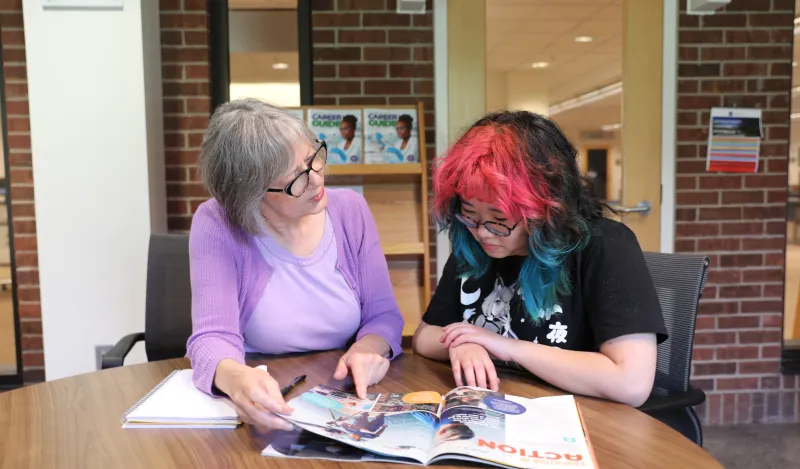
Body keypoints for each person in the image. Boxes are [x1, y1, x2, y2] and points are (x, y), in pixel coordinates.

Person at [412, 111, 667, 408]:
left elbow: (631, 383)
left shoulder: (605, 246)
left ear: (546, 208)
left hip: (584, 420)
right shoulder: (472, 245)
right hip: (499, 409)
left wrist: (506, 347)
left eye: (499, 219)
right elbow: (424, 337)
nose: (483, 233)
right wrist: (464, 342)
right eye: (470, 214)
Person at [186, 98, 404, 431]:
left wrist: (368, 349)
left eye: (312, 159)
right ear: (250, 195)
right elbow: (211, 337)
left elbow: (383, 315)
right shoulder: (217, 223)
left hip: (343, 397)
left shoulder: (350, 210)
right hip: (271, 398)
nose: (316, 179)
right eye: (295, 179)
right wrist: (236, 379)